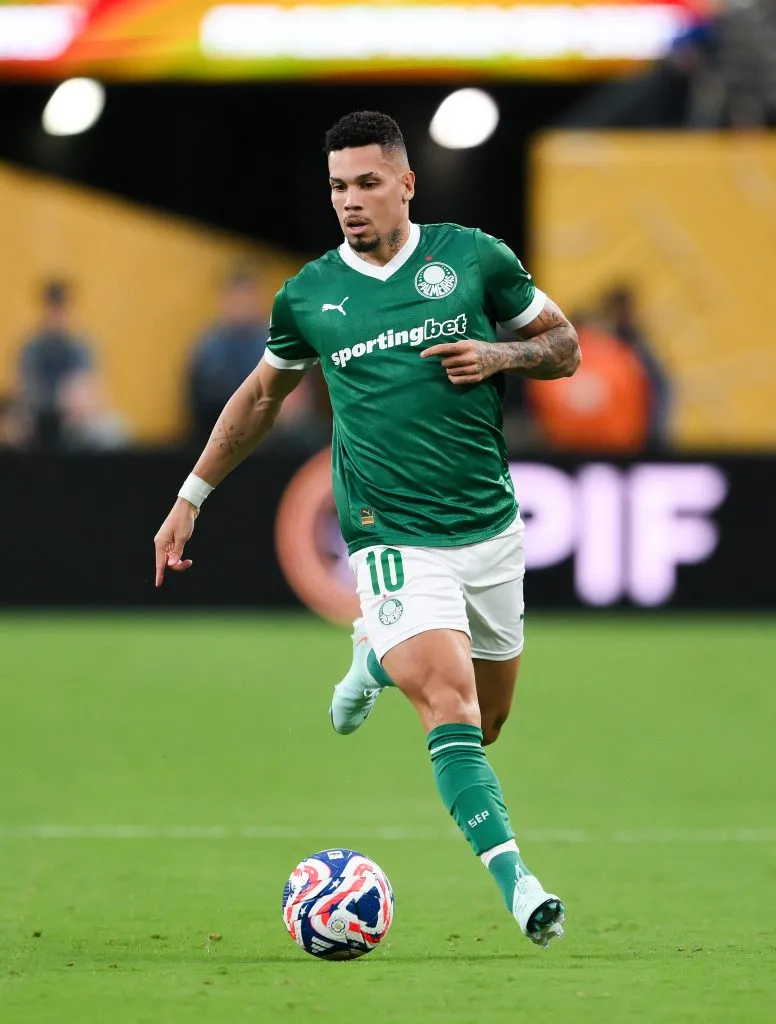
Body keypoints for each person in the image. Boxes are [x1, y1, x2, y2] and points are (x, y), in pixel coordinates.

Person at [154, 111, 580, 948]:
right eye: (339, 187)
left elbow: (562, 346)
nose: (351, 201)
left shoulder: (472, 258)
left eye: (368, 183)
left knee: (487, 724)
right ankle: (520, 884)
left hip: (489, 530)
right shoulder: (310, 295)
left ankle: (373, 656)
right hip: (391, 535)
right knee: (450, 708)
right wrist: (192, 493)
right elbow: (260, 399)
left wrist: (501, 357)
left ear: (406, 183)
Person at [17, 279, 95, 451]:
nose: (56, 315)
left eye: (60, 309)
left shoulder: (80, 348)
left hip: (75, 419)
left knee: (109, 432)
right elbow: (24, 391)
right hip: (38, 419)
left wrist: (79, 401)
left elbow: (93, 392)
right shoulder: (32, 349)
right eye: (52, 308)